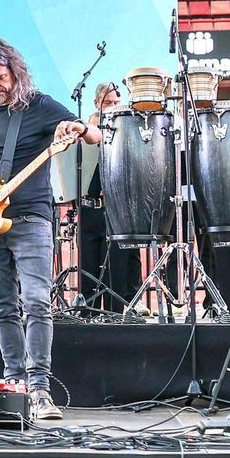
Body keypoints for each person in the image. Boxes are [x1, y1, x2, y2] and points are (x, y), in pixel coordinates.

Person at [0, 39, 100, 421]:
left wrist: (77, 127)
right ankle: (14, 384)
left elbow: (93, 136)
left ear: (15, 73)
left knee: (36, 302)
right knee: (1, 306)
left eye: (0, 78)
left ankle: (40, 389)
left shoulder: (41, 106)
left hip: (31, 218)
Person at [77, 81, 140, 312]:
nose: (113, 106)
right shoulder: (84, 130)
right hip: (89, 208)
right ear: (96, 103)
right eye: (108, 103)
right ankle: (89, 312)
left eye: (116, 102)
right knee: (88, 264)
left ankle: (116, 314)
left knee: (116, 267)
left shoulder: (126, 130)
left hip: (116, 207)